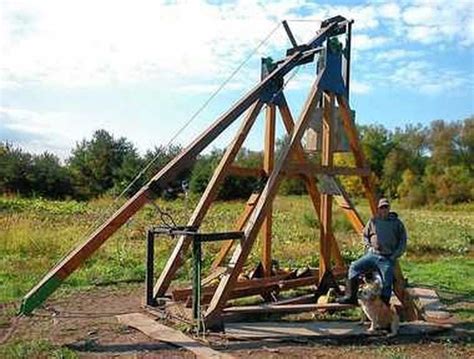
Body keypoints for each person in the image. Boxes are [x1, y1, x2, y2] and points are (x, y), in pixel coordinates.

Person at [336, 198, 407, 305]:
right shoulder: (373, 221)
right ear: (378, 209)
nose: (384, 210)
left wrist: (395, 255)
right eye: (381, 207)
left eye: (386, 207)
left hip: (387, 257)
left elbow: (403, 241)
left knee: (387, 279)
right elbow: (365, 235)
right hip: (372, 254)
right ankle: (350, 296)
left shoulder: (396, 223)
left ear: (389, 208)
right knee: (354, 267)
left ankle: (384, 304)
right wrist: (368, 246)